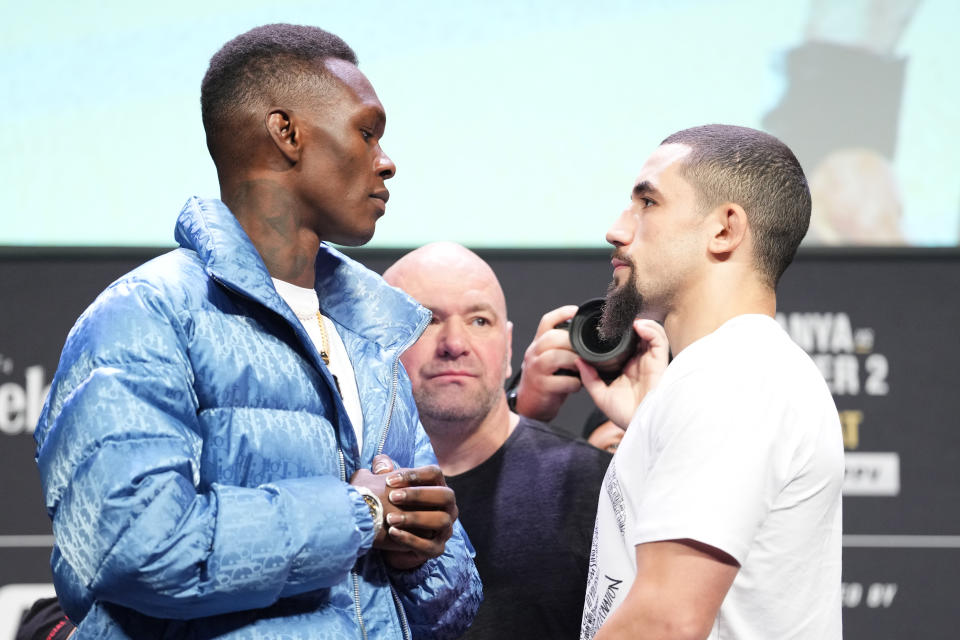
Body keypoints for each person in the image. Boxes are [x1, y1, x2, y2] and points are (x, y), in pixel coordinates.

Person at [32, 24, 480, 638]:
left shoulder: (369, 337)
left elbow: (447, 608)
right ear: (287, 133)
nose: (387, 160)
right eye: (367, 131)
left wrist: (421, 555)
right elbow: (133, 549)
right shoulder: (143, 316)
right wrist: (361, 512)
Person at [578, 124, 843, 639]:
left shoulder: (735, 376)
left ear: (724, 229)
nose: (617, 228)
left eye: (647, 203)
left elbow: (666, 623)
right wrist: (655, 424)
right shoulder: (726, 374)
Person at [383, 242, 612, 639]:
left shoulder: (594, 484)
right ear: (376, 342)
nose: (455, 343)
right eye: (426, 320)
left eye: (479, 321)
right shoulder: (351, 486)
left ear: (508, 349)